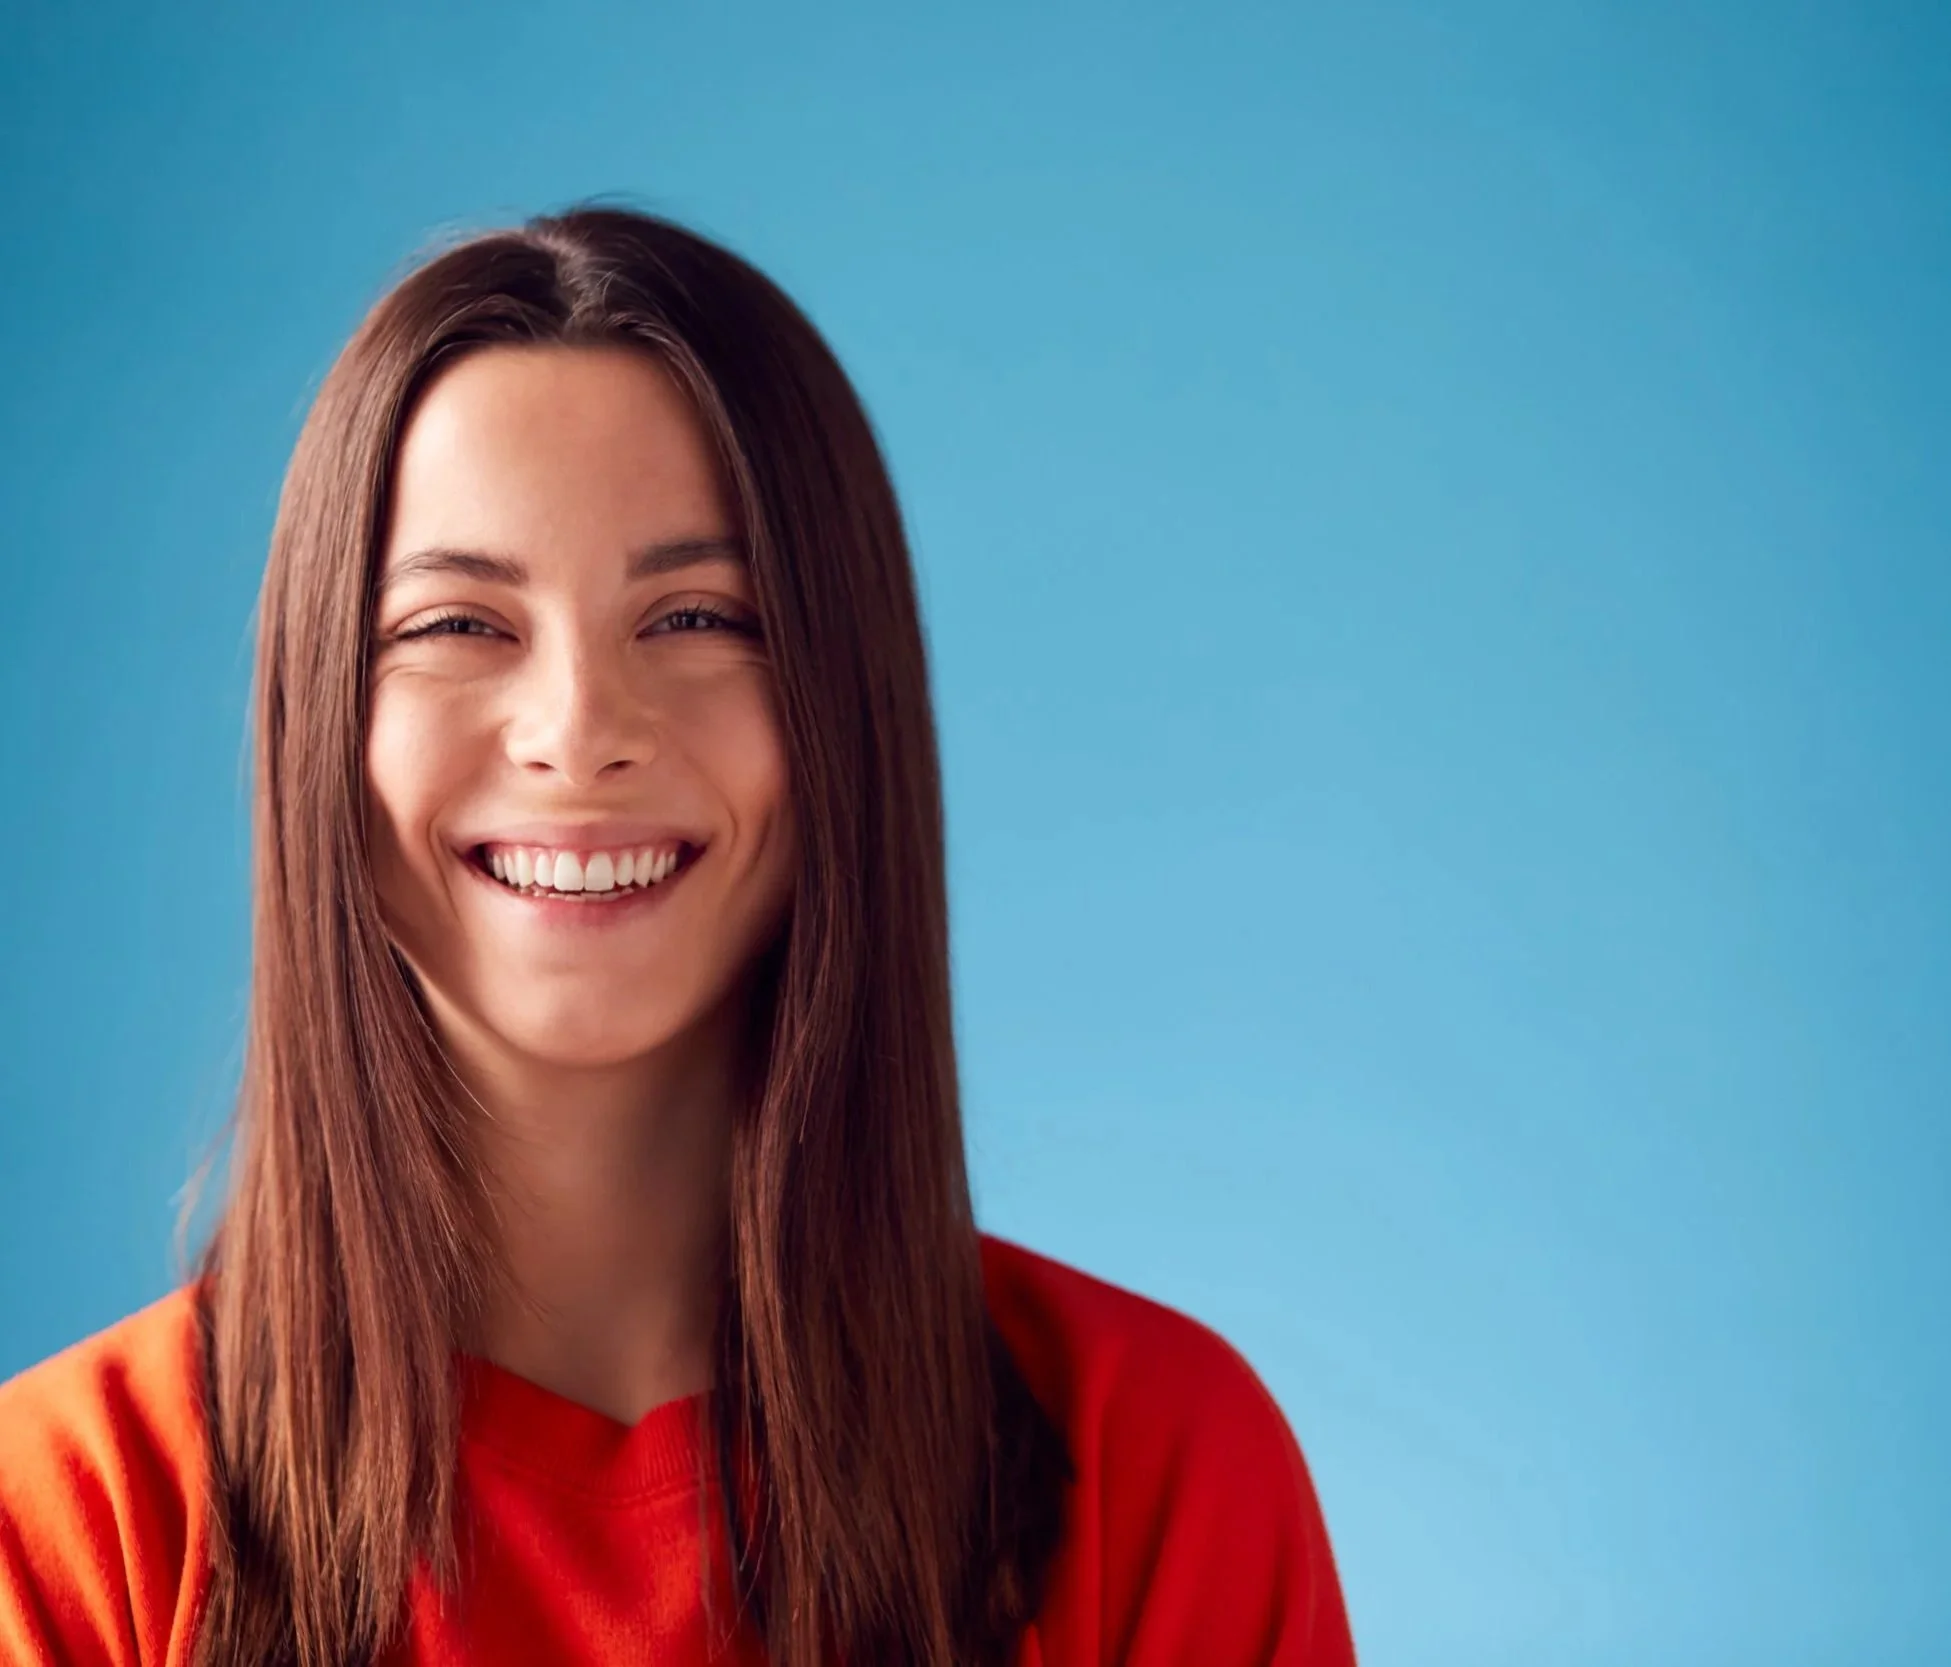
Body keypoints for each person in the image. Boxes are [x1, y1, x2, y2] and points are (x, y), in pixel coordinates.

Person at [0, 204, 1355, 1667]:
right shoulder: (65, 1523)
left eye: (699, 615)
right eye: (458, 625)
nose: (580, 734)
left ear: (846, 711)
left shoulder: (1157, 1466)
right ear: (317, 729)